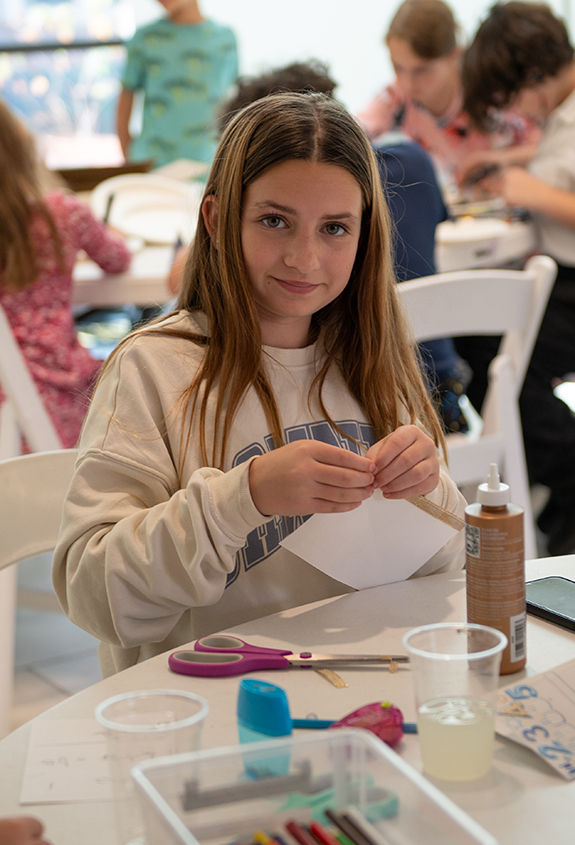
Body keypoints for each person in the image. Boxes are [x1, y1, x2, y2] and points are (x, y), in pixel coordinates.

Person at [53, 93, 466, 677]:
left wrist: (431, 490)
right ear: (217, 220)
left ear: (365, 236)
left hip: (358, 680)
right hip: (204, 696)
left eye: (335, 228)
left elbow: (447, 571)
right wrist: (244, 497)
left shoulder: (371, 359)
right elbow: (94, 594)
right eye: (275, 221)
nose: (304, 258)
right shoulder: (155, 368)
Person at [460, 1, 575, 556]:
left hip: (571, 284)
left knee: (490, 348)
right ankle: (559, 477)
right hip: (558, 274)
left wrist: (530, 190)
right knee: (487, 344)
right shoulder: (563, 115)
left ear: (532, 75)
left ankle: (565, 469)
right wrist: (510, 162)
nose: (515, 112)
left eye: (511, 98)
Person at [0, 100, 131, 449]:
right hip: (61, 399)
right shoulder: (64, 215)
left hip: (9, 410)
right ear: (21, 145)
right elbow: (118, 259)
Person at [356, 0, 537, 194]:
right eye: (397, 67)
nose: (407, 83)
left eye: (421, 70)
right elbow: (350, 137)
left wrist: (500, 159)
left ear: (454, 55)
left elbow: (548, 148)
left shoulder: (490, 90)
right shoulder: (394, 100)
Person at [116, 0, 238, 167]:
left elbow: (233, 103)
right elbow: (124, 104)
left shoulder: (226, 39)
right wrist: (130, 159)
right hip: (151, 164)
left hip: (209, 164)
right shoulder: (144, 38)